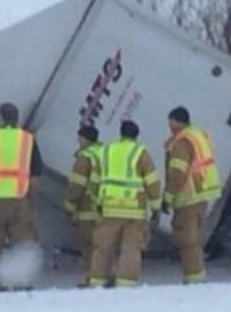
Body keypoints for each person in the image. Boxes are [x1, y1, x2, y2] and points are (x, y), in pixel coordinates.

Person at [0, 102, 43, 291]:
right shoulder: (28, 139)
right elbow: (36, 171)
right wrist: (29, 194)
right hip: (20, 198)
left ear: (1, 118)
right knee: (22, 239)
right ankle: (22, 281)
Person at [89, 120, 161, 288]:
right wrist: (156, 208)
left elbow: (94, 182)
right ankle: (125, 284)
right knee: (131, 249)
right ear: (136, 135)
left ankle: (97, 282)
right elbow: (152, 182)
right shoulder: (140, 152)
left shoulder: (106, 151)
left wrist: (97, 203)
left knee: (103, 248)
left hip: (109, 209)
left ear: (120, 133)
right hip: (134, 212)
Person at [162, 106, 222, 284]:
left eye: (170, 122)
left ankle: (193, 277)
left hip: (189, 196)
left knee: (185, 238)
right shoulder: (198, 135)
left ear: (176, 121)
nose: (169, 126)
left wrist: (168, 198)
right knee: (195, 238)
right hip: (202, 193)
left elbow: (177, 174)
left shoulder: (182, 142)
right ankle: (197, 274)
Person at [63, 125, 103, 288]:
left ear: (83, 138)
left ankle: (91, 277)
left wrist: (69, 205)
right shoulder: (105, 152)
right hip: (106, 206)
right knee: (104, 245)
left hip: (88, 208)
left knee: (89, 245)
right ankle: (108, 273)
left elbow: (77, 185)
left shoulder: (85, 157)